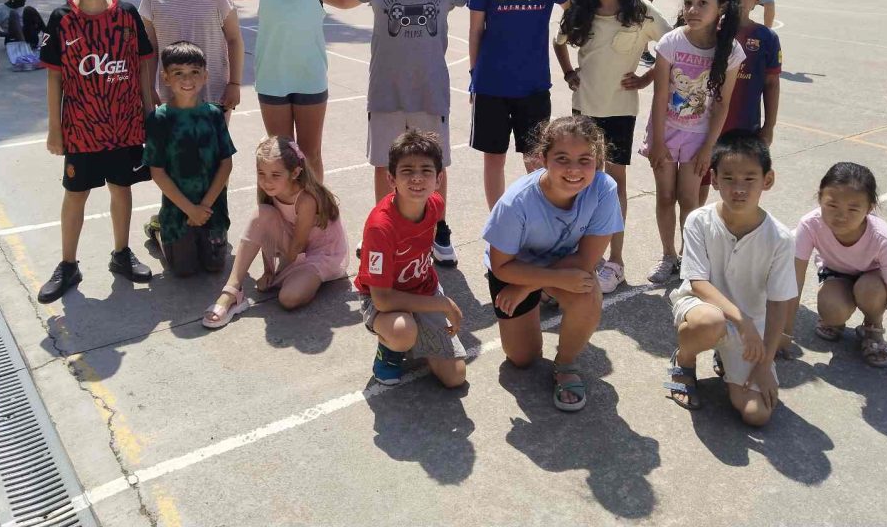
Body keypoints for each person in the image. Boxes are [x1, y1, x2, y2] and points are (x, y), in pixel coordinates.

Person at [322, 0, 469, 265]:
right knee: (384, 164)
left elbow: (483, 0)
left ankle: (438, 229)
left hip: (430, 90)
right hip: (386, 89)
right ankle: (383, 228)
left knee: (436, 165)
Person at [36, 0, 155, 303]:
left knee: (122, 188)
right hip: (81, 128)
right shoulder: (61, 19)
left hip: (123, 125)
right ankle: (68, 264)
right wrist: (55, 129)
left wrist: (148, 112)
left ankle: (121, 253)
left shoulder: (127, 15)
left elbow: (142, 65)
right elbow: (54, 77)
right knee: (76, 194)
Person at [554, 0, 672, 293]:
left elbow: (672, 46)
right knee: (583, 181)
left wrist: (647, 78)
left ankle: (616, 261)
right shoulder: (581, 13)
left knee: (615, 182)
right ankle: (585, 252)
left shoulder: (641, 11)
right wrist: (568, 73)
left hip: (620, 110)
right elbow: (559, 42)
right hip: (585, 110)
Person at [484, 116, 623, 411]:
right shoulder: (515, 202)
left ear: (598, 161)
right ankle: (544, 293)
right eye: (562, 159)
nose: (574, 169)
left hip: (562, 266)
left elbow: (586, 260)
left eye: (584, 160)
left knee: (587, 292)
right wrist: (530, 283)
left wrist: (530, 288)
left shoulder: (604, 189)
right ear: (543, 158)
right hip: (516, 269)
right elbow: (501, 267)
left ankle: (566, 364)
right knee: (523, 359)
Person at [665, 130, 797, 425]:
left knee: (757, 415)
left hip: (750, 325)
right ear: (713, 179)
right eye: (728, 178)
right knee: (708, 322)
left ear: (768, 180)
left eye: (749, 179)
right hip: (703, 306)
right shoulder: (699, 220)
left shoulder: (780, 238)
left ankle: (725, 357)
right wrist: (742, 321)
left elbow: (779, 304)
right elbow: (698, 282)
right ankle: (684, 361)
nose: (739, 188)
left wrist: (765, 363)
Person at [222, 0, 364, 182]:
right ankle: (285, 208)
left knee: (311, 155)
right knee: (281, 156)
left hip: (310, 79)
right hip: (272, 80)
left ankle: (316, 206)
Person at [468, 0, 571, 209]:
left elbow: (574, 13)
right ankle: (498, 223)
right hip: (491, 85)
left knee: (536, 160)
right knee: (493, 158)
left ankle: (539, 220)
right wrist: (473, 77)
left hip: (534, 84)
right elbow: (475, 30)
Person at [641, 0, 744, 284]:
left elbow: (722, 104)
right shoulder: (671, 41)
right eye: (688, 2)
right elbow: (660, 95)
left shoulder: (730, 51)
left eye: (703, 3)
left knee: (689, 200)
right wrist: (658, 141)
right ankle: (668, 255)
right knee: (664, 196)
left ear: (721, 7)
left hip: (698, 138)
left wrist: (708, 148)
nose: (693, 9)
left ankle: (690, 257)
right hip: (665, 132)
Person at [788, 163, 887, 389]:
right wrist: (783, 334)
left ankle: (872, 326)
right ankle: (836, 321)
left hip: (874, 277)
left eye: (853, 209)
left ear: (869, 208)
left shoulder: (882, 238)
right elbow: (795, 281)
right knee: (832, 309)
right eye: (832, 205)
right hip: (837, 272)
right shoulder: (810, 224)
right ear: (820, 198)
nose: (841, 216)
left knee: (869, 291)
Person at [354, 129, 466, 387]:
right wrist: (443, 304)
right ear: (390, 178)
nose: (417, 178)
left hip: (422, 289)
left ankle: (418, 336)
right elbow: (382, 299)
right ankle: (389, 349)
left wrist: (434, 302)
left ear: (439, 179)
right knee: (402, 332)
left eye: (426, 170)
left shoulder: (435, 204)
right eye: (407, 171)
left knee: (455, 377)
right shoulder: (380, 227)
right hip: (382, 298)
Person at [204, 135, 348, 327]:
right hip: (294, 247)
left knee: (288, 298)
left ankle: (307, 278)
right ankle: (231, 290)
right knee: (261, 214)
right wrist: (268, 270)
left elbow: (297, 247)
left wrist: (280, 272)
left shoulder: (306, 199)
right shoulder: (272, 192)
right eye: (261, 173)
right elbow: (266, 233)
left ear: (295, 173)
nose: (267, 181)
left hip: (320, 254)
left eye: (275, 175)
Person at [144, 41, 236, 278]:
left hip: (212, 209)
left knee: (215, 266)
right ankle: (158, 230)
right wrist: (190, 210)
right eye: (178, 73)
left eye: (195, 72)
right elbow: (157, 172)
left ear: (205, 76)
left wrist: (204, 207)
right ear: (165, 78)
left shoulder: (215, 114)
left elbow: (226, 164)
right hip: (178, 211)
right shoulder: (159, 119)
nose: (187, 79)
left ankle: (204, 237)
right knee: (183, 270)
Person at [698, 0, 781, 206]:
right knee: (700, 181)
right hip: (704, 125)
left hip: (745, 128)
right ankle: (694, 227)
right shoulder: (709, 31)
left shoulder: (766, 37)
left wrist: (769, 126)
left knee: (740, 186)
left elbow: (772, 84)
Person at [0, 0, 44, 71]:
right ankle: (23, 48)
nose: (24, 1)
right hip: (13, 38)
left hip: (29, 37)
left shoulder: (25, 8)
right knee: (13, 14)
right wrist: (8, 35)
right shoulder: (0, 9)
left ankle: (48, 40)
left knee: (30, 10)